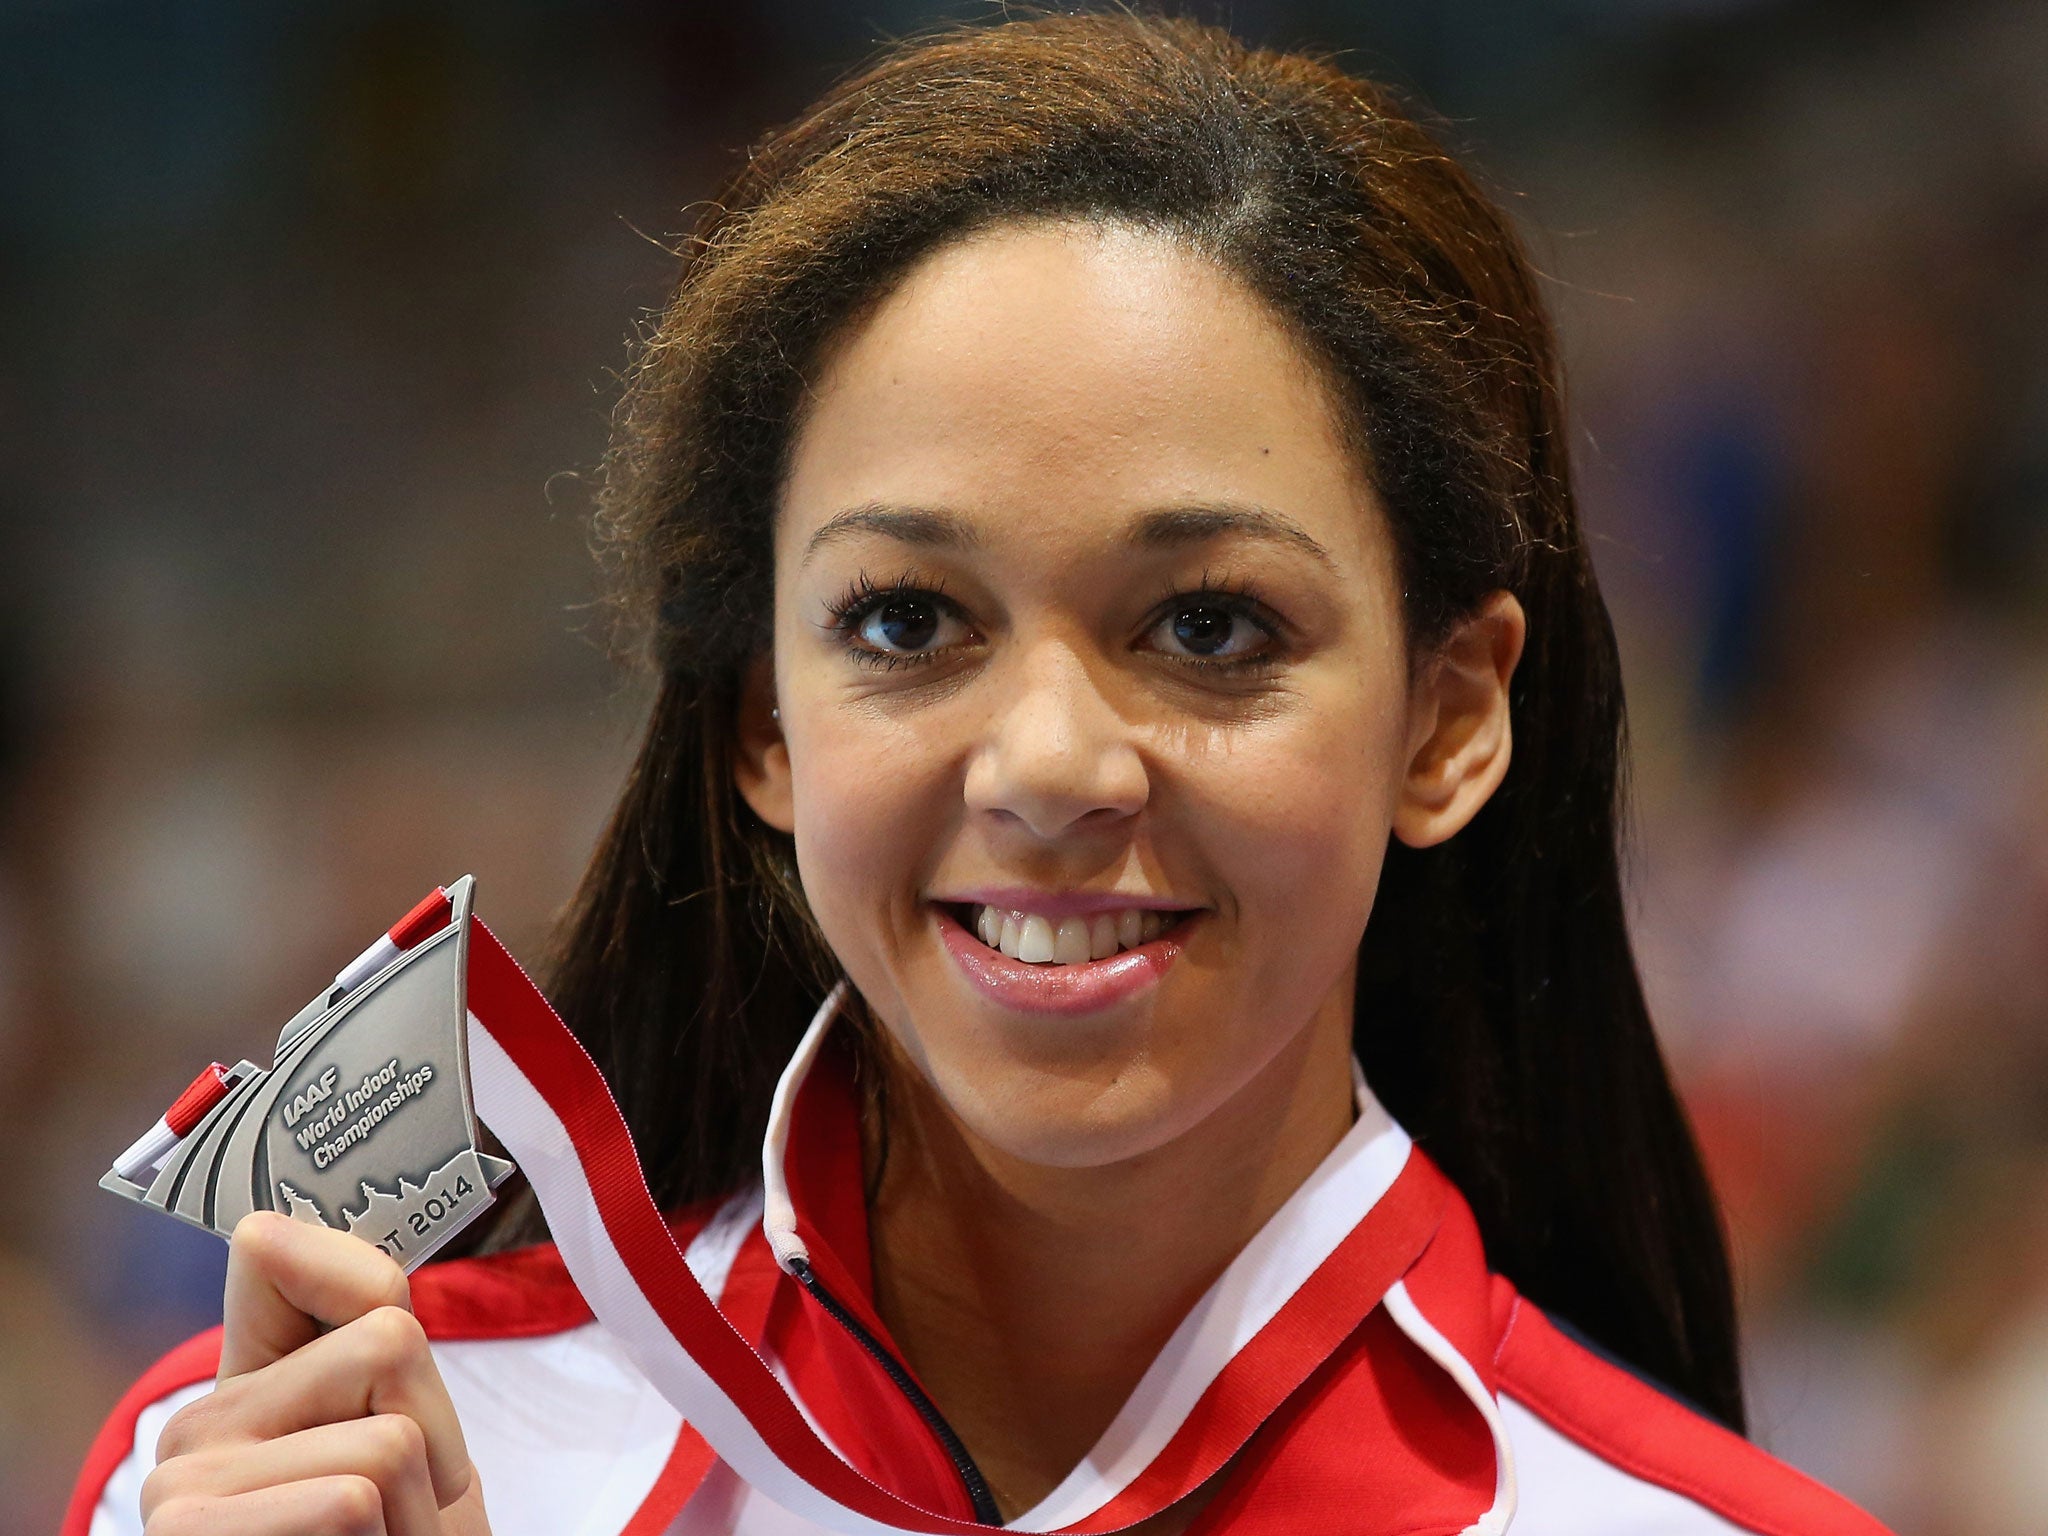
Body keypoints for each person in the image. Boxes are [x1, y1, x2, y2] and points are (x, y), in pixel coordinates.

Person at [67, 13, 1889, 1535]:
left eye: (1209, 628)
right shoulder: (290, 1466)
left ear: (1448, 718)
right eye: (907, 623)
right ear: (758, 729)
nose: (1050, 766)